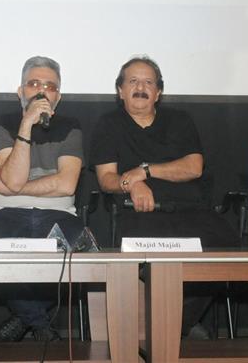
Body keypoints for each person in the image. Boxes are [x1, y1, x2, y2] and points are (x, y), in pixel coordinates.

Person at [91, 56, 238, 339]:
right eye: (132, 81)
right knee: (150, 263)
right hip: (141, 213)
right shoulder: (108, 124)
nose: (140, 87)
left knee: (225, 249)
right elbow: (106, 178)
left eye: (148, 82)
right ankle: (175, 327)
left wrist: (144, 172)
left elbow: (193, 167)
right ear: (119, 90)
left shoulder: (180, 120)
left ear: (158, 92)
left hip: (191, 210)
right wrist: (129, 184)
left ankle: (171, 326)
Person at [0, 56, 84, 342]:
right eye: (34, 84)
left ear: (57, 97)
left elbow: (66, 184)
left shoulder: (71, 127)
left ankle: (24, 317)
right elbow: (13, 179)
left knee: (80, 249)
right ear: (20, 92)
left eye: (49, 86)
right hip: (6, 214)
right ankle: (40, 324)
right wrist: (25, 126)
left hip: (58, 214)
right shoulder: (2, 125)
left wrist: (14, 187)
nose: (41, 91)